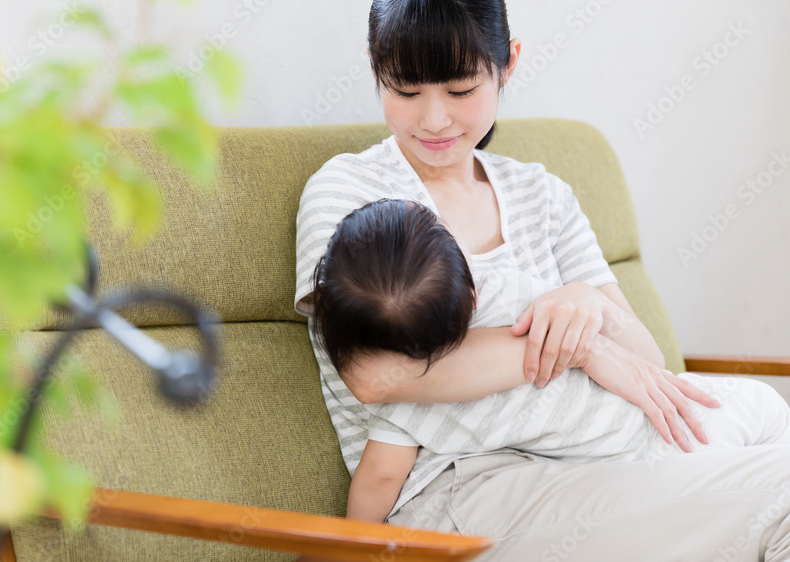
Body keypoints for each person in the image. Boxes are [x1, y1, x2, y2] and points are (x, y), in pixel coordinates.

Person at [294, 0, 790, 561]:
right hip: (465, 483)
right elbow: (379, 374)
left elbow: (646, 362)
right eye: (405, 89)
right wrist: (582, 347)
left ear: (508, 66)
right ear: (376, 71)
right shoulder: (351, 193)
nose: (434, 117)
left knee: (769, 412)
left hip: (597, 447)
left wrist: (585, 304)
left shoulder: (543, 194)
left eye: (460, 88)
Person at [310, 197, 790, 525]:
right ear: (469, 291)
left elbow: (380, 478)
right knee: (764, 415)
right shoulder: (523, 295)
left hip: (640, 451)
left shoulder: (408, 401)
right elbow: (646, 359)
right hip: (676, 420)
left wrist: (358, 542)